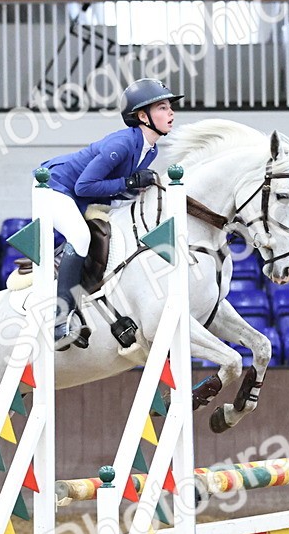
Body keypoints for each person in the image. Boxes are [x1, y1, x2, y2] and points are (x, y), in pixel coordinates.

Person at [36, 78, 183, 350]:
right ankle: (59, 320)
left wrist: (133, 191)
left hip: (83, 195)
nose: (171, 113)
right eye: (163, 107)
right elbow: (84, 185)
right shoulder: (122, 144)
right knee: (80, 237)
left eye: (169, 107)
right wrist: (129, 184)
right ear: (143, 116)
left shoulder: (150, 150)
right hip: (54, 186)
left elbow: (113, 191)